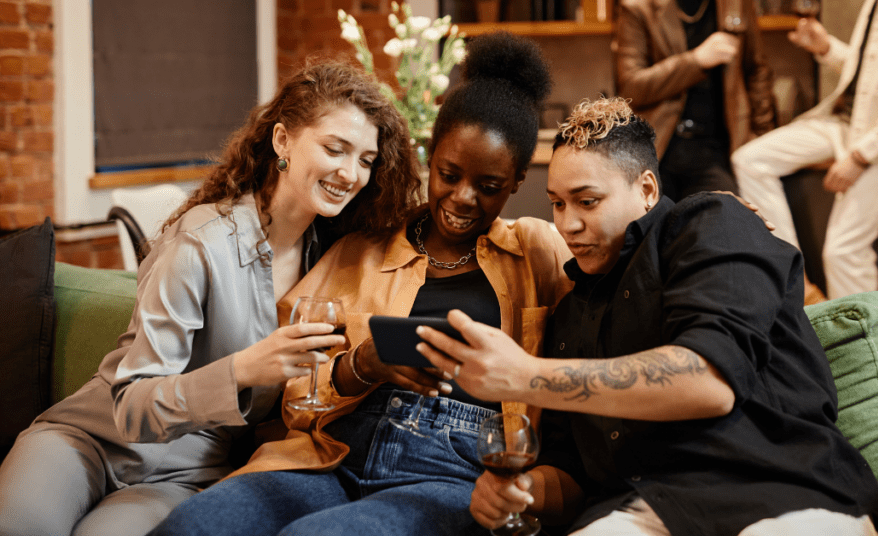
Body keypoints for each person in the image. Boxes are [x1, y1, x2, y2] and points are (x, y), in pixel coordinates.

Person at [145, 32, 580, 536]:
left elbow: (615, 275)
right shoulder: (362, 247)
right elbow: (292, 395)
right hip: (328, 456)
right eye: (448, 173)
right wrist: (361, 366)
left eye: (488, 187)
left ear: (517, 181)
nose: (463, 198)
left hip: (449, 476)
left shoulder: (539, 250)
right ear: (428, 156)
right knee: (192, 527)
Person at [417, 97, 878, 536]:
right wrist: (523, 492)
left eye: (588, 201)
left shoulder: (711, 227)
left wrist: (525, 375)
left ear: (646, 189)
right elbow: (573, 475)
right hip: (643, 510)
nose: (568, 224)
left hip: (783, 493)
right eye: (557, 204)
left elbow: (708, 380)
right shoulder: (570, 316)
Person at [0, 60, 421, 536]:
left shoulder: (335, 261)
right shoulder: (202, 241)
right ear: (282, 142)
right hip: (89, 440)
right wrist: (243, 371)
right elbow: (130, 405)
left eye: (365, 159)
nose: (350, 173)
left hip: (186, 476)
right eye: (334, 149)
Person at [731, 0, 878, 300]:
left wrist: (861, 155)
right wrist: (827, 48)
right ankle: (796, 284)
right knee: (750, 159)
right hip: (848, 123)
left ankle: (862, 344)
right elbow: (874, 74)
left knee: (844, 252)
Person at [615, 0, 777, 202]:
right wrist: (696, 61)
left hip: (716, 150)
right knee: (647, 223)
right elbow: (632, 87)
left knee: (725, 221)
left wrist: (762, 137)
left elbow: (756, 70)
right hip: (658, 148)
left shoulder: (736, 4)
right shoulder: (638, 6)